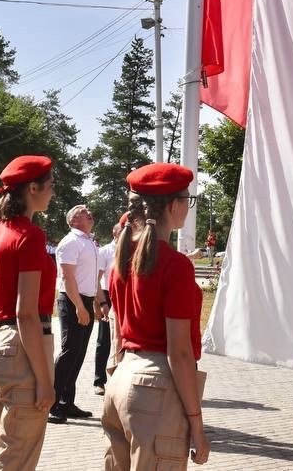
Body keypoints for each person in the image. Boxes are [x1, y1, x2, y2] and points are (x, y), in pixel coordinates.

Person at [101, 162, 210, 469]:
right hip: (156, 385)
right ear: (174, 206)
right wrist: (197, 425)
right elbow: (179, 352)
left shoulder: (122, 259)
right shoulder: (175, 265)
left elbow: (119, 332)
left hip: (123, 377)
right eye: (187, 200)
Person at [0, 155, 57, 471]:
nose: (52, 193)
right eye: (49, 186)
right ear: (33, 188)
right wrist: (45, 380)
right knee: (17, 459)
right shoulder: (29, 235)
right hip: (21, 346)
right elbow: (26, 314)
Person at [49, 204, 98, 424]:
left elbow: (90, 276)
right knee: (69, 351)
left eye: (87, 210)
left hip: (85, 300)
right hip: (72, 300)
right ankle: (53, 403)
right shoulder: (70, 242)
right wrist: (79, 306)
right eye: (81, 210)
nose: (88, 212)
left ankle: (67, 403)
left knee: (78, 354)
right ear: (73, 220)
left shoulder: (88, 241)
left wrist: (94, 302)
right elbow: (67, 278)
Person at [93, 222, 122, 397]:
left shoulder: (132, 249)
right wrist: (99, 303)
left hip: (123, 295)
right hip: (107, 295)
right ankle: (99, 381)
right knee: (104, 340)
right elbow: (96, 279)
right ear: (114, 233)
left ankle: (119, 379)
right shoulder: (105, 251)